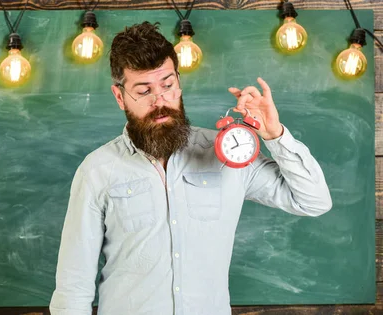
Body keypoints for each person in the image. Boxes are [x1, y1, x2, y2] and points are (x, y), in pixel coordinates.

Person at [49, 21, 332, 315]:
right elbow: (74, 286)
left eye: (168, 85)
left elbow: (313, 201)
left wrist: (275, 135)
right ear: (120, 97)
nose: (160, 101)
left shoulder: (228, 153)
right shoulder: (97, 170)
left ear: (179, 82)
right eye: (144, 91)